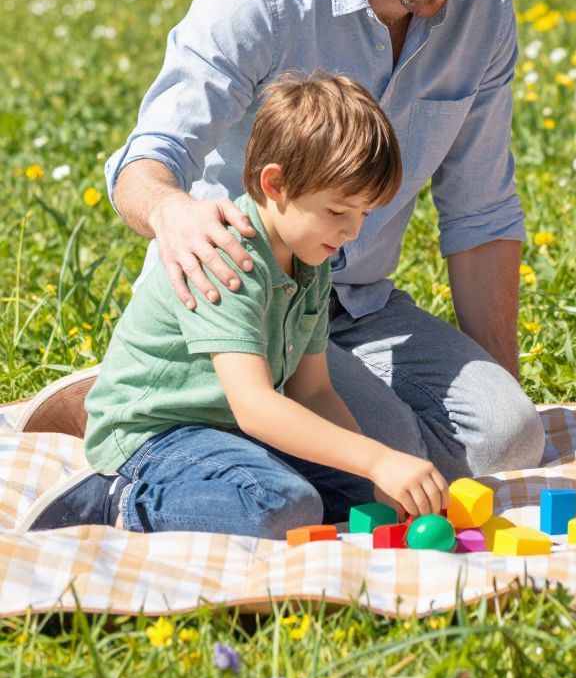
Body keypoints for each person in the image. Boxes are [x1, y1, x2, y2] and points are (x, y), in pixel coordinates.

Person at [19, 0, 545, 498]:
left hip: (357, 303)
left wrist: (498, 392)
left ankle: (239, 417)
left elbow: (479, 213)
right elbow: (146, 160)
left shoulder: (484, 14)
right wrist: (176, 214)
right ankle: (162, 395)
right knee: (387, 461)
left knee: (509, 441)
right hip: (244, 300)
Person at [30, 75, 449, 537]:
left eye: (363, 214)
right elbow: (254, 405)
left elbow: (313, 393)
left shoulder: (312, 258)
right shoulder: (226, 254)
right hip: (157, 433)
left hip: (226, 432)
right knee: (285, 505)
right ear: (276, 184)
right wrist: (378, 459)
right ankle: (116, 500)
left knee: (358, 496)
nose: (352, 231)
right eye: (338, 212)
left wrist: (372, 470)